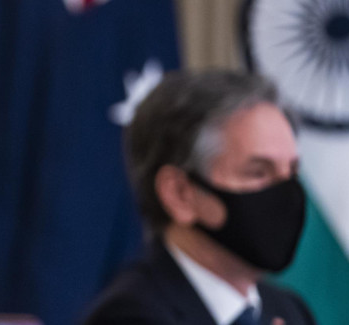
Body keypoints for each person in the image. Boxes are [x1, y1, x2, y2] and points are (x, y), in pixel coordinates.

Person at [84, 70, 315, 325]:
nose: (286, 193)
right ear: (180, 194)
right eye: (258, 172)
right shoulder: (128, 316)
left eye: (292, 171)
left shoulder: (290, 310)